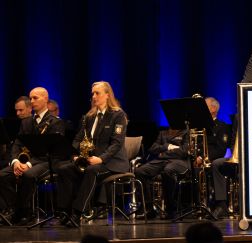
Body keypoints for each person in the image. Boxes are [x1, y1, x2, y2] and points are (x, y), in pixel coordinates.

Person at [55, 81, 129, 227]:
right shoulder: (89, 117)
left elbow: (117, 143)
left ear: (107, 95)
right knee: (64, 169)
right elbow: (77, 139)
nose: (94, 96)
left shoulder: (117, 115)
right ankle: (65, 211)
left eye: (97, 93)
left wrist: (101, 159)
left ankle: (77, 213)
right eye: (92, 94)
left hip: (112, 162)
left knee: (91, 171)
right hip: (91, 160)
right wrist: (75, 155)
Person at [0, 87, 65, 226]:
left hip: (48, 162)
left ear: (45, 99)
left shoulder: (55, 122)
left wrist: (28, 165)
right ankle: (17, 208)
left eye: (35, 98)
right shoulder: (26, 122)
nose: (32, 101)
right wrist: (16, 161)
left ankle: (24, 212)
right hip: (27, 162)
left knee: (28, 175)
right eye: (30, 98)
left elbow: (52, 152)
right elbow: (17, 144)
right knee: (2, 176)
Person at [134, 127, 190, 220]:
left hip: (179, 161)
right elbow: (153, 148)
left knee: (168, 170)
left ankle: (171, 209)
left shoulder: (186, 131)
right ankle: (148, 208)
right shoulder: (163, 132)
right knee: (140, 171)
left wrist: (163, 153)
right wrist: (167, 146)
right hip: (161, 161)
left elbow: (183, 152)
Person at [196, 97, 230, 219]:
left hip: (210, 159)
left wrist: (204, 157)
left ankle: (220, 205)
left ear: (214, 109)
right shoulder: (199, 126)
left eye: (205, 106)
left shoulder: (222, 126)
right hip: (197, 159)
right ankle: (194, 205)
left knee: (215, 164)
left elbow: (221, 149)